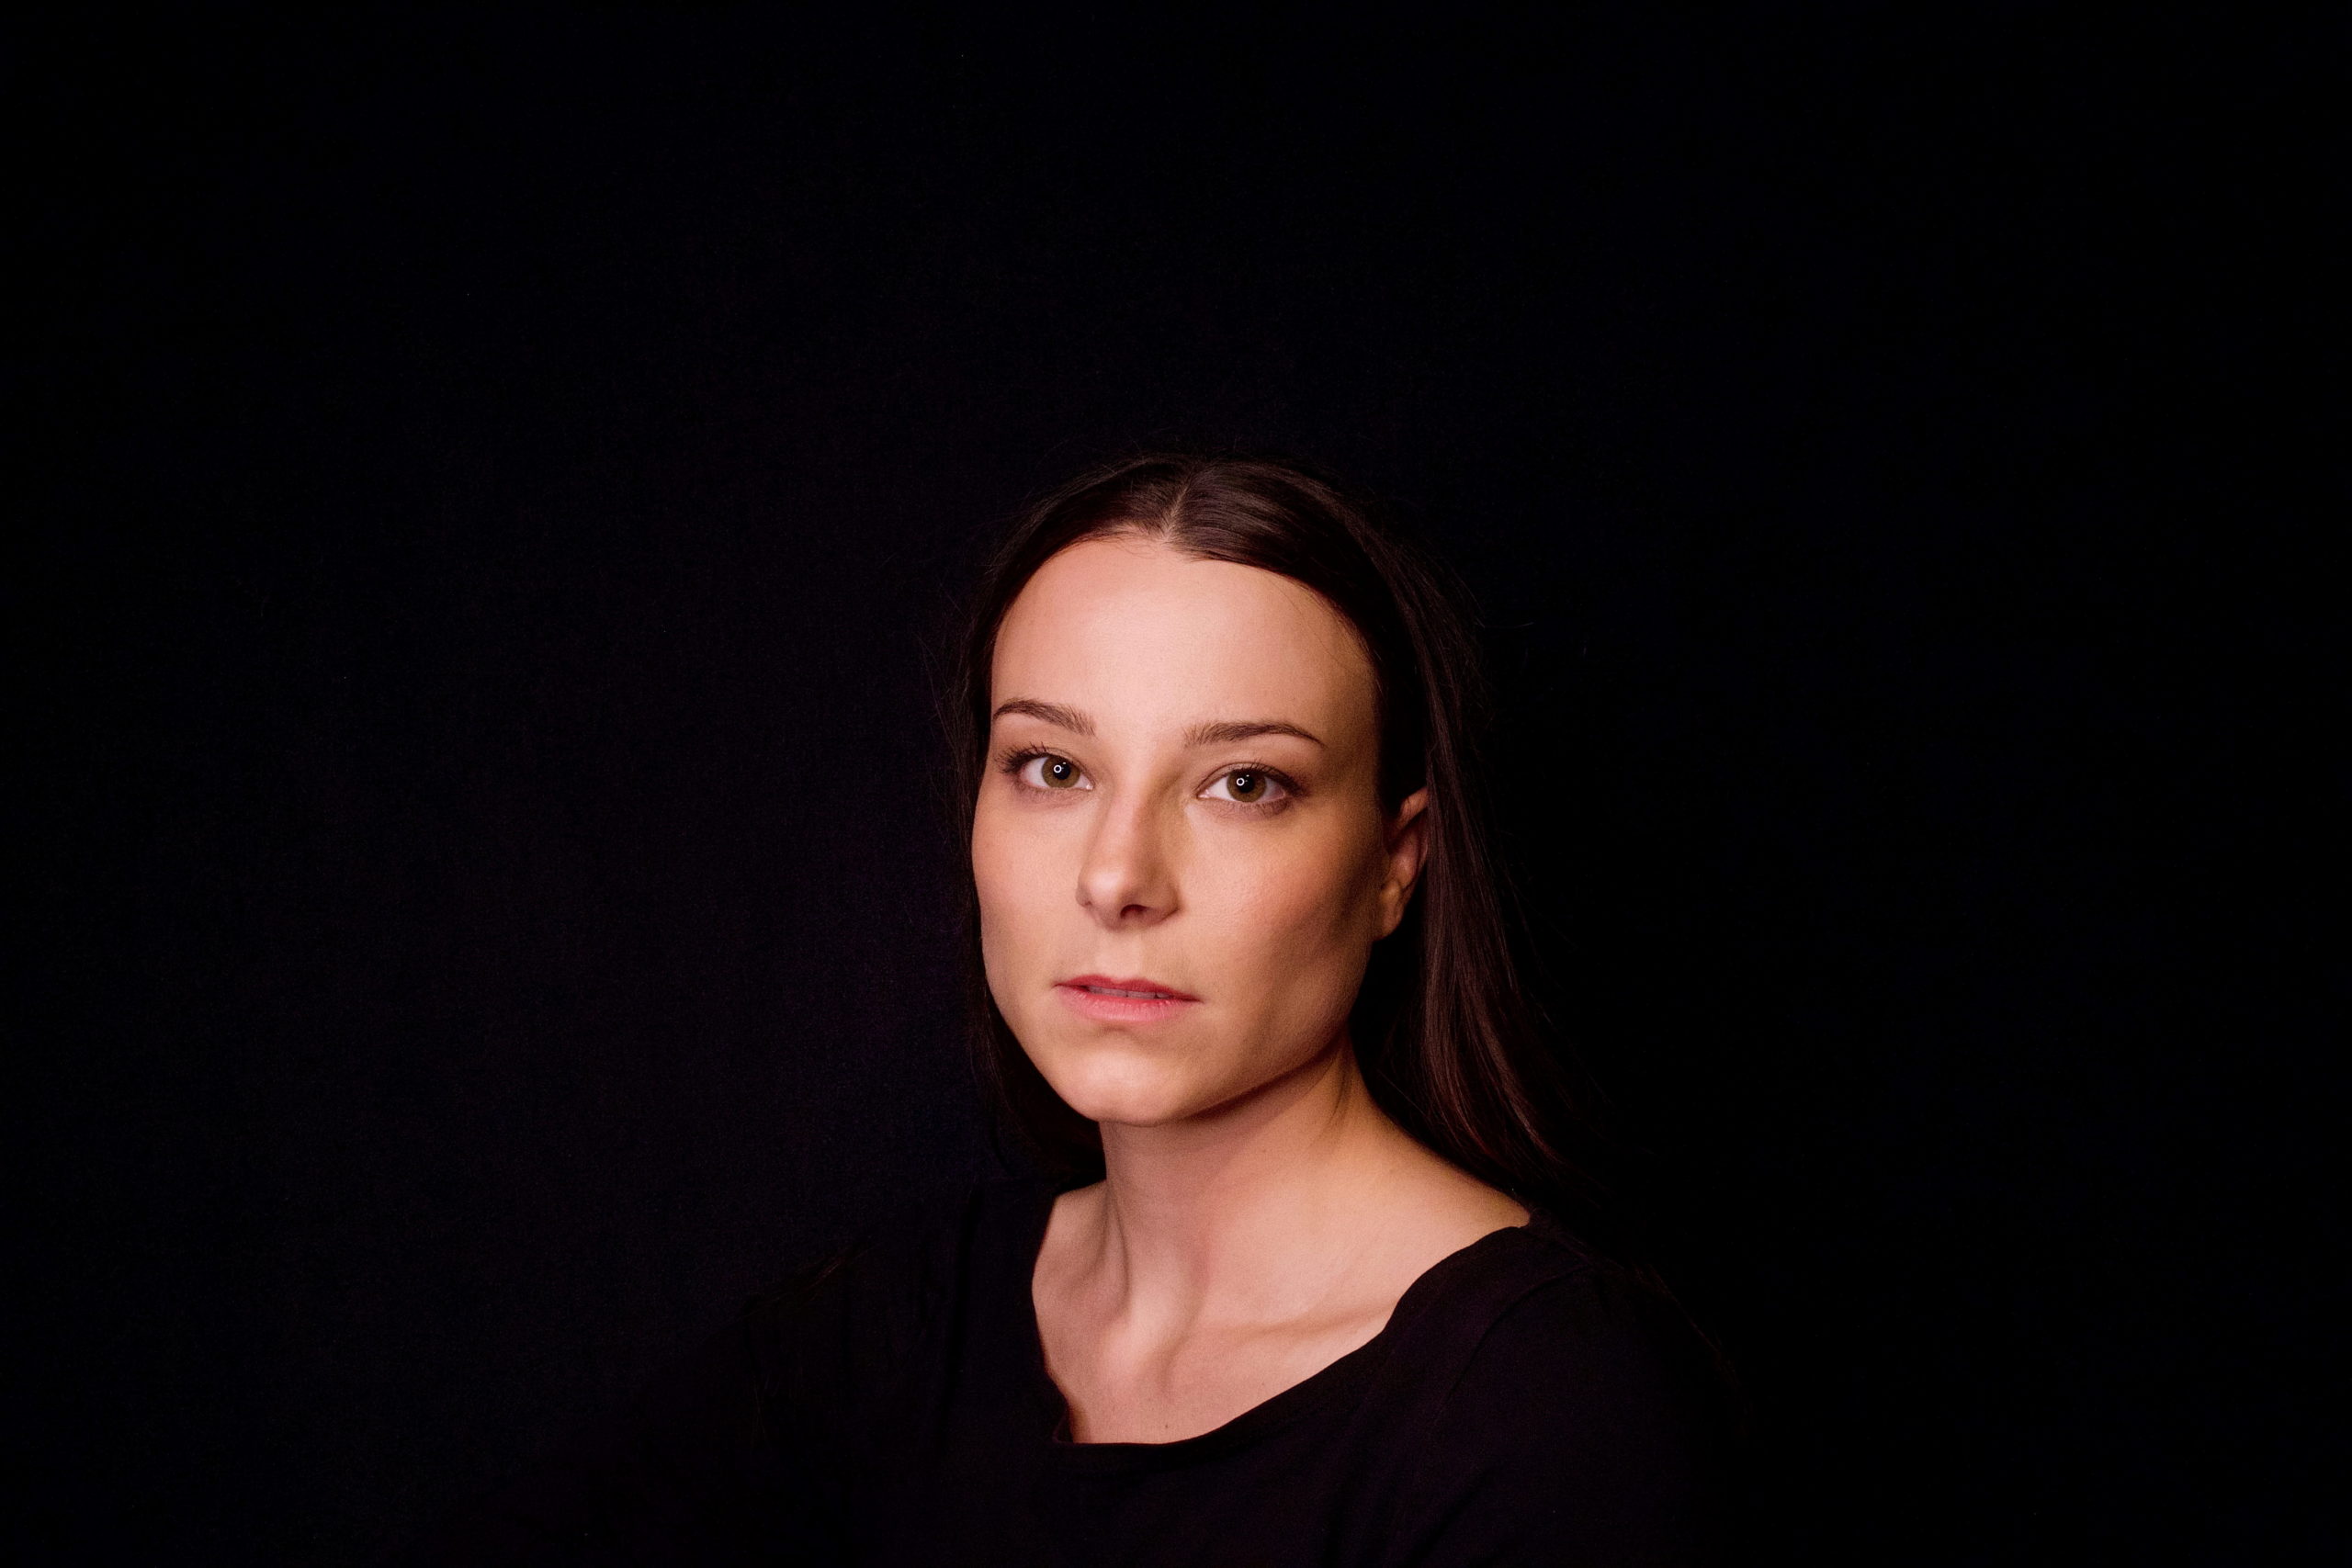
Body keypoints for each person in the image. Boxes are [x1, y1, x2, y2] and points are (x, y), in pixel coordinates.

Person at [408, 453, 1736, 1564]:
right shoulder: (900, 1329)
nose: (1116, 878)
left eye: (1244, 785)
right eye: (1052, 767)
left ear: (1396, 863)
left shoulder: (1547, 1413)